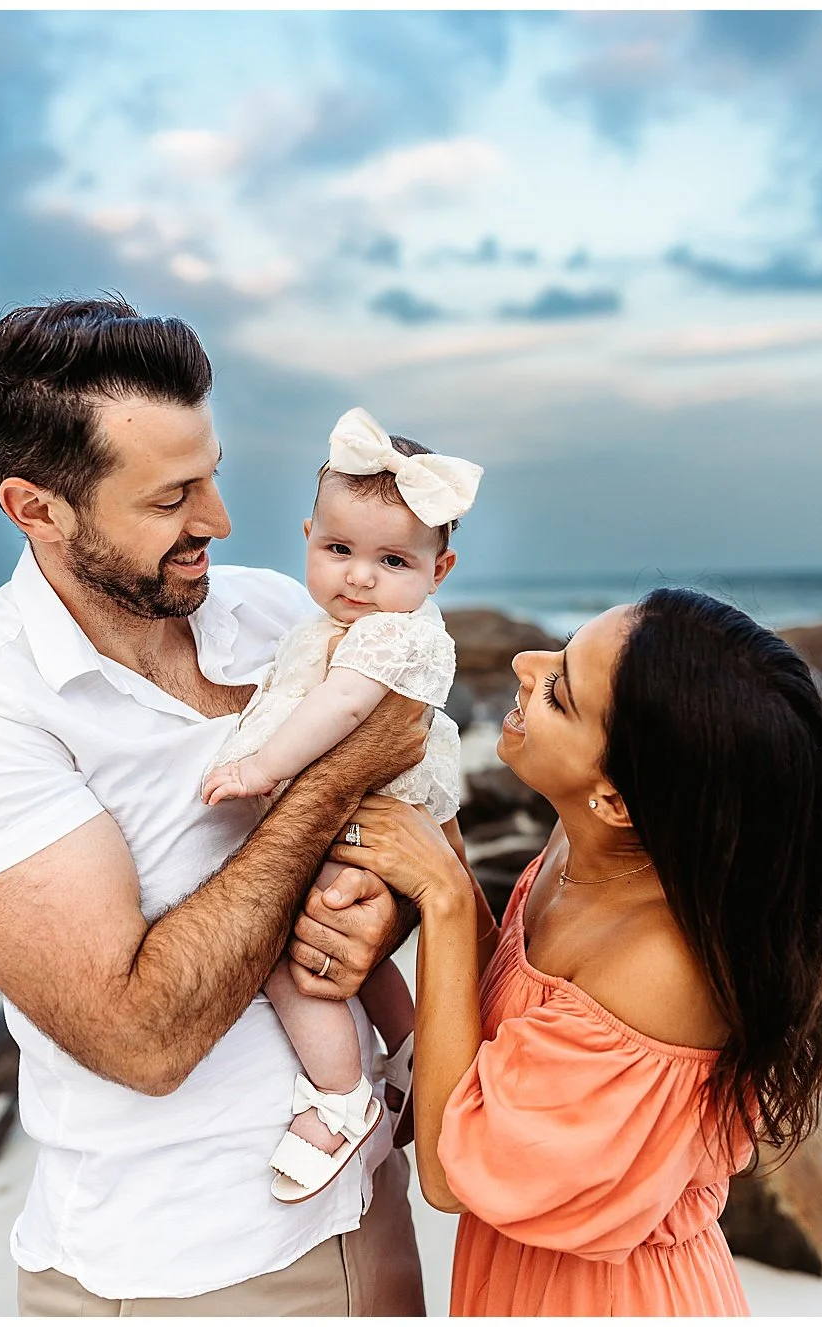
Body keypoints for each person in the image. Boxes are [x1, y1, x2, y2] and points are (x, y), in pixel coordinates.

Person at [0, 296, 429, 1315]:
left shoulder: (272, 609)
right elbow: (142, 1036)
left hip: (346, 1225)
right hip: (153, 1257)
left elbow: (418, 819)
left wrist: (386, 908)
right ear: (35, 508)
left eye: (211, 471)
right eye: (173, 495)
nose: (217, 518)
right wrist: (332, 781)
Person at [328, 589, 822, 1315]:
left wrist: (445, 897)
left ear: (617, 799)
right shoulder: (586, 845)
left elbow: (450, 1172)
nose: (525, 663)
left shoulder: (664, 964)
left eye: (559, 691)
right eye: (559, 652)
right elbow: (512, 1033)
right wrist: (442, 840)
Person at [202, 406, 482, 1203]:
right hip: (359, 808)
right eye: (338, 550)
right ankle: (411, 1047)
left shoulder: (390, 638)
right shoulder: (327, 620)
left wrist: (262, 764)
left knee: (292, 955)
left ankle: (337, 1092)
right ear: (306, 538)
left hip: (362, 811)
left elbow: (345, 709)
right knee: (363, 961)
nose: (359, 576)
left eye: (392, 559)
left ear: (440, 570)